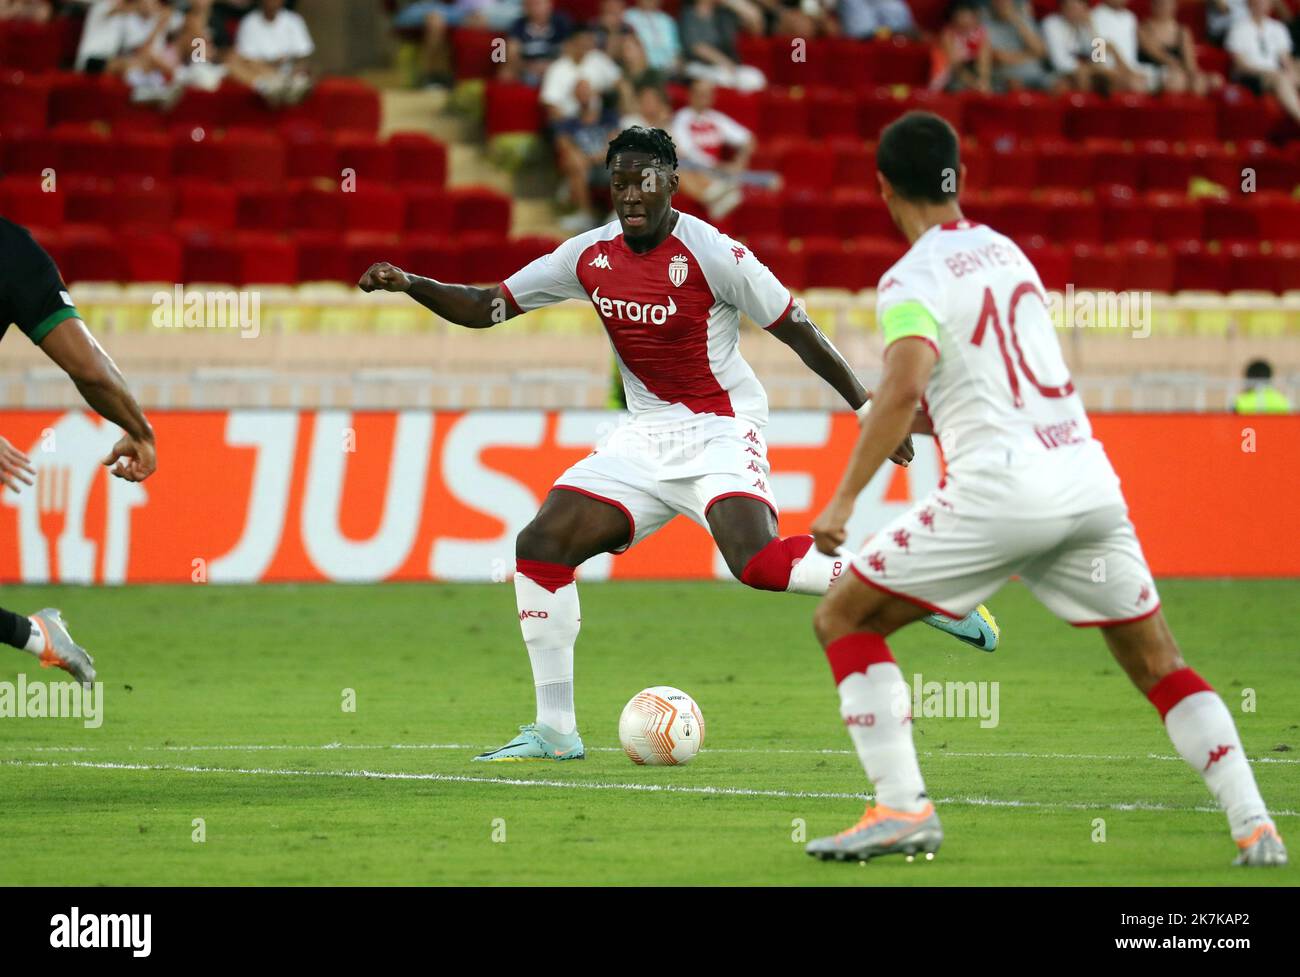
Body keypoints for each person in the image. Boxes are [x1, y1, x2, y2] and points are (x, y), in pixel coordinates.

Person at [357, 125, 1000, 763]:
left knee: (759, 565)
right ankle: (555, 730)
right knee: (541, 546)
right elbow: (487, 306)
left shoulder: (716, 252)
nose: (629, 192)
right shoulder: (587, 255)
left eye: (643, 178)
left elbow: (796, 328)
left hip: (721, 428)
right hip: (643, 437)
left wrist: (866, 408)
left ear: (672, 182)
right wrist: (413, 283)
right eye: (618, 180)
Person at [801, 111, 1286, 868]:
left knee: (843, 617)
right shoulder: (1008, 253)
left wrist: (841, 502)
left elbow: (900, 387)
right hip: (1088, 481)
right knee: (1159, 662)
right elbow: (988, 383)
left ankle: (900, 805)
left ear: (884, 188)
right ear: (957, 177)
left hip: (1002, 490)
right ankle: (1255, 822)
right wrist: (922, 422)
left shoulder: (911, 277)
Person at [0, 219, 158, 687]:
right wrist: (140, 429)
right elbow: (87, 365)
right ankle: (36, 635)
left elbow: (89, 366)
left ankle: (36, 635)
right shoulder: (14, 251)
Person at [1225, 0, 1300, 127]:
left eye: (1266, 1)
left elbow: (1286, 60)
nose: (1263, 4)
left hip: (1276, 73)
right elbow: (1240, 65)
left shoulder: (1278, 28)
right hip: (1252, 76)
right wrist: (1269, 72)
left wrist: (1292, 72)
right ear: (1250, 4)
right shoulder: (1238, 28)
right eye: (1259, 1)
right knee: (1279, 78)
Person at [229, 0, 314, 105]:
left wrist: (297, 69)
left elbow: (304, 55)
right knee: (233, 63)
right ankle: (269, 85)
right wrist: (272, 64)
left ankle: (280, 84)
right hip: (259, 74)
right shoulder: (248, 22)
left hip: (289, 74)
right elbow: (245, 60)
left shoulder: (294, 20)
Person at [1139, 0, 1224, 95]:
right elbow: (1159, 55)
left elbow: (1191, 63)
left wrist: (1195, 76)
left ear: (1174, 6)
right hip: (1154, 72)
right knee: (1176, 81)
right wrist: (1181, 70)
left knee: (1214, 80)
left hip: (1180, 71)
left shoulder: (1182, 31)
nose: (1165, 7)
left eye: (1168, 4)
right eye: (1161, 4)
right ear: (1153, 5)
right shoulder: (1143, 29)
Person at [983, 0, 1054, 92]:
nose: (1002, 4)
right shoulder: (985, 25)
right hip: (1009, 77)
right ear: (992, 3)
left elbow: (1041, 51)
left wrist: (1015, 20)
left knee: (1060, 85)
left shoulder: (1023, 20)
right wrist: (1032, 54)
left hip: (1037, 73)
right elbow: (1000, 58)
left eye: (1006, 1)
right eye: (998, 2)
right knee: (1015, 86)